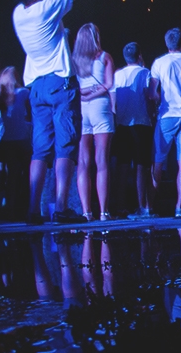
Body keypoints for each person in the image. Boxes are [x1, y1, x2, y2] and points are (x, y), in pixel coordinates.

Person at [10, 0, 87, 224]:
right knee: (65, 145)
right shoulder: (47, 8)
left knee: (40, 149)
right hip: (59, 82)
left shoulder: (19, 14)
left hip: (37, 87)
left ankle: (34, 210)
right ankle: (62, 208)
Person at [72, 23, 115, 221]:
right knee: (102, 160)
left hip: (81, 109)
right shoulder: (104, 56)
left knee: (83, 162)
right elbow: (109, 84)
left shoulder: (74, 61)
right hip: (100, 107)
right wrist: (94, 92)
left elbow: (74, 88)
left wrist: (85, 94)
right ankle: (104, 212)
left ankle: (86, 212)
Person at [151, 28, 181, 216]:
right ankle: (180, 206)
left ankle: (150, 205)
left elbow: (152, 92)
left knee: (157, 160)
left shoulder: (159, 63)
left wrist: (158, 102)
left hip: (166, 116)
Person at [112, 42, 155, 217]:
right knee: (141, 166)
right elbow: (149, 96)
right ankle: (142, 205)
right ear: (140, 55)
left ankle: (120, 205)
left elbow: (113, 102)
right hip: (141, 122)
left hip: (122, 124)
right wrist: (152, 115)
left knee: (122, 165)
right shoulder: (145, 73)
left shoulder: (117, 75)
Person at [0, 66, 31, 220]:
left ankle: (9, 207)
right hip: (22, 139)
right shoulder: (24, 93)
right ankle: (26, 207)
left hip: (5, 140)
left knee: (10, 175)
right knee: (25, 174)